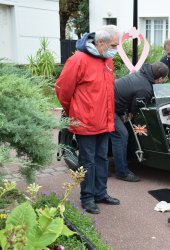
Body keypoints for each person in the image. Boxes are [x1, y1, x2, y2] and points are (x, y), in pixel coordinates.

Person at [55, 25, 120, 214]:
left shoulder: (107, 60)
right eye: (113, 45)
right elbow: (62, 90)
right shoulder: (77, 60)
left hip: (104, 121)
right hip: (86, 122)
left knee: (102, 159)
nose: (115, 50)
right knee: (88, 161)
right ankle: (87, 197)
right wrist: (74, 112)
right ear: (100, 42)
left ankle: (101, 193)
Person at [110, 62, 169, 182]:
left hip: (112, 102)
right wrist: (129, 114)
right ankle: (122, 172)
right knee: (121, 135)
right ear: (160, 78)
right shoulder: (145, 88)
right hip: (109, 107)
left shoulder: (142, 73)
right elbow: (135, 108)